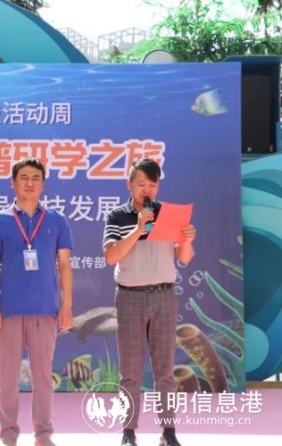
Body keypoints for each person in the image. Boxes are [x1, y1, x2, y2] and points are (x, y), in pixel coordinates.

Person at [103, 158, 196, 446]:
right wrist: (139, 226)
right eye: (141, 184)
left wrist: (187, 239)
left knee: (164, 370)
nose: (147, 190)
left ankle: (168, 432)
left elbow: (184, 257)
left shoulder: (169, 214)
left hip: (164, 296)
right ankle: (128, 432)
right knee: (130, 371)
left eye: (152, 185)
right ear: (129, 185)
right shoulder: (117, 215)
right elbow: (111, 256)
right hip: (130, 296)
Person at [0, 157, 74, 446]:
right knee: (8, 377)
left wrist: (67, 305)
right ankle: (9, 433)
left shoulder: (57, 220)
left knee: (43, 376)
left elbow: (64, 265)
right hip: (9, 311)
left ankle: (43, 434)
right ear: (13, 183)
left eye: (36, 178)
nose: (30, 183)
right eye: (24, 177)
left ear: (43, 184)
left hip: (46, 310)